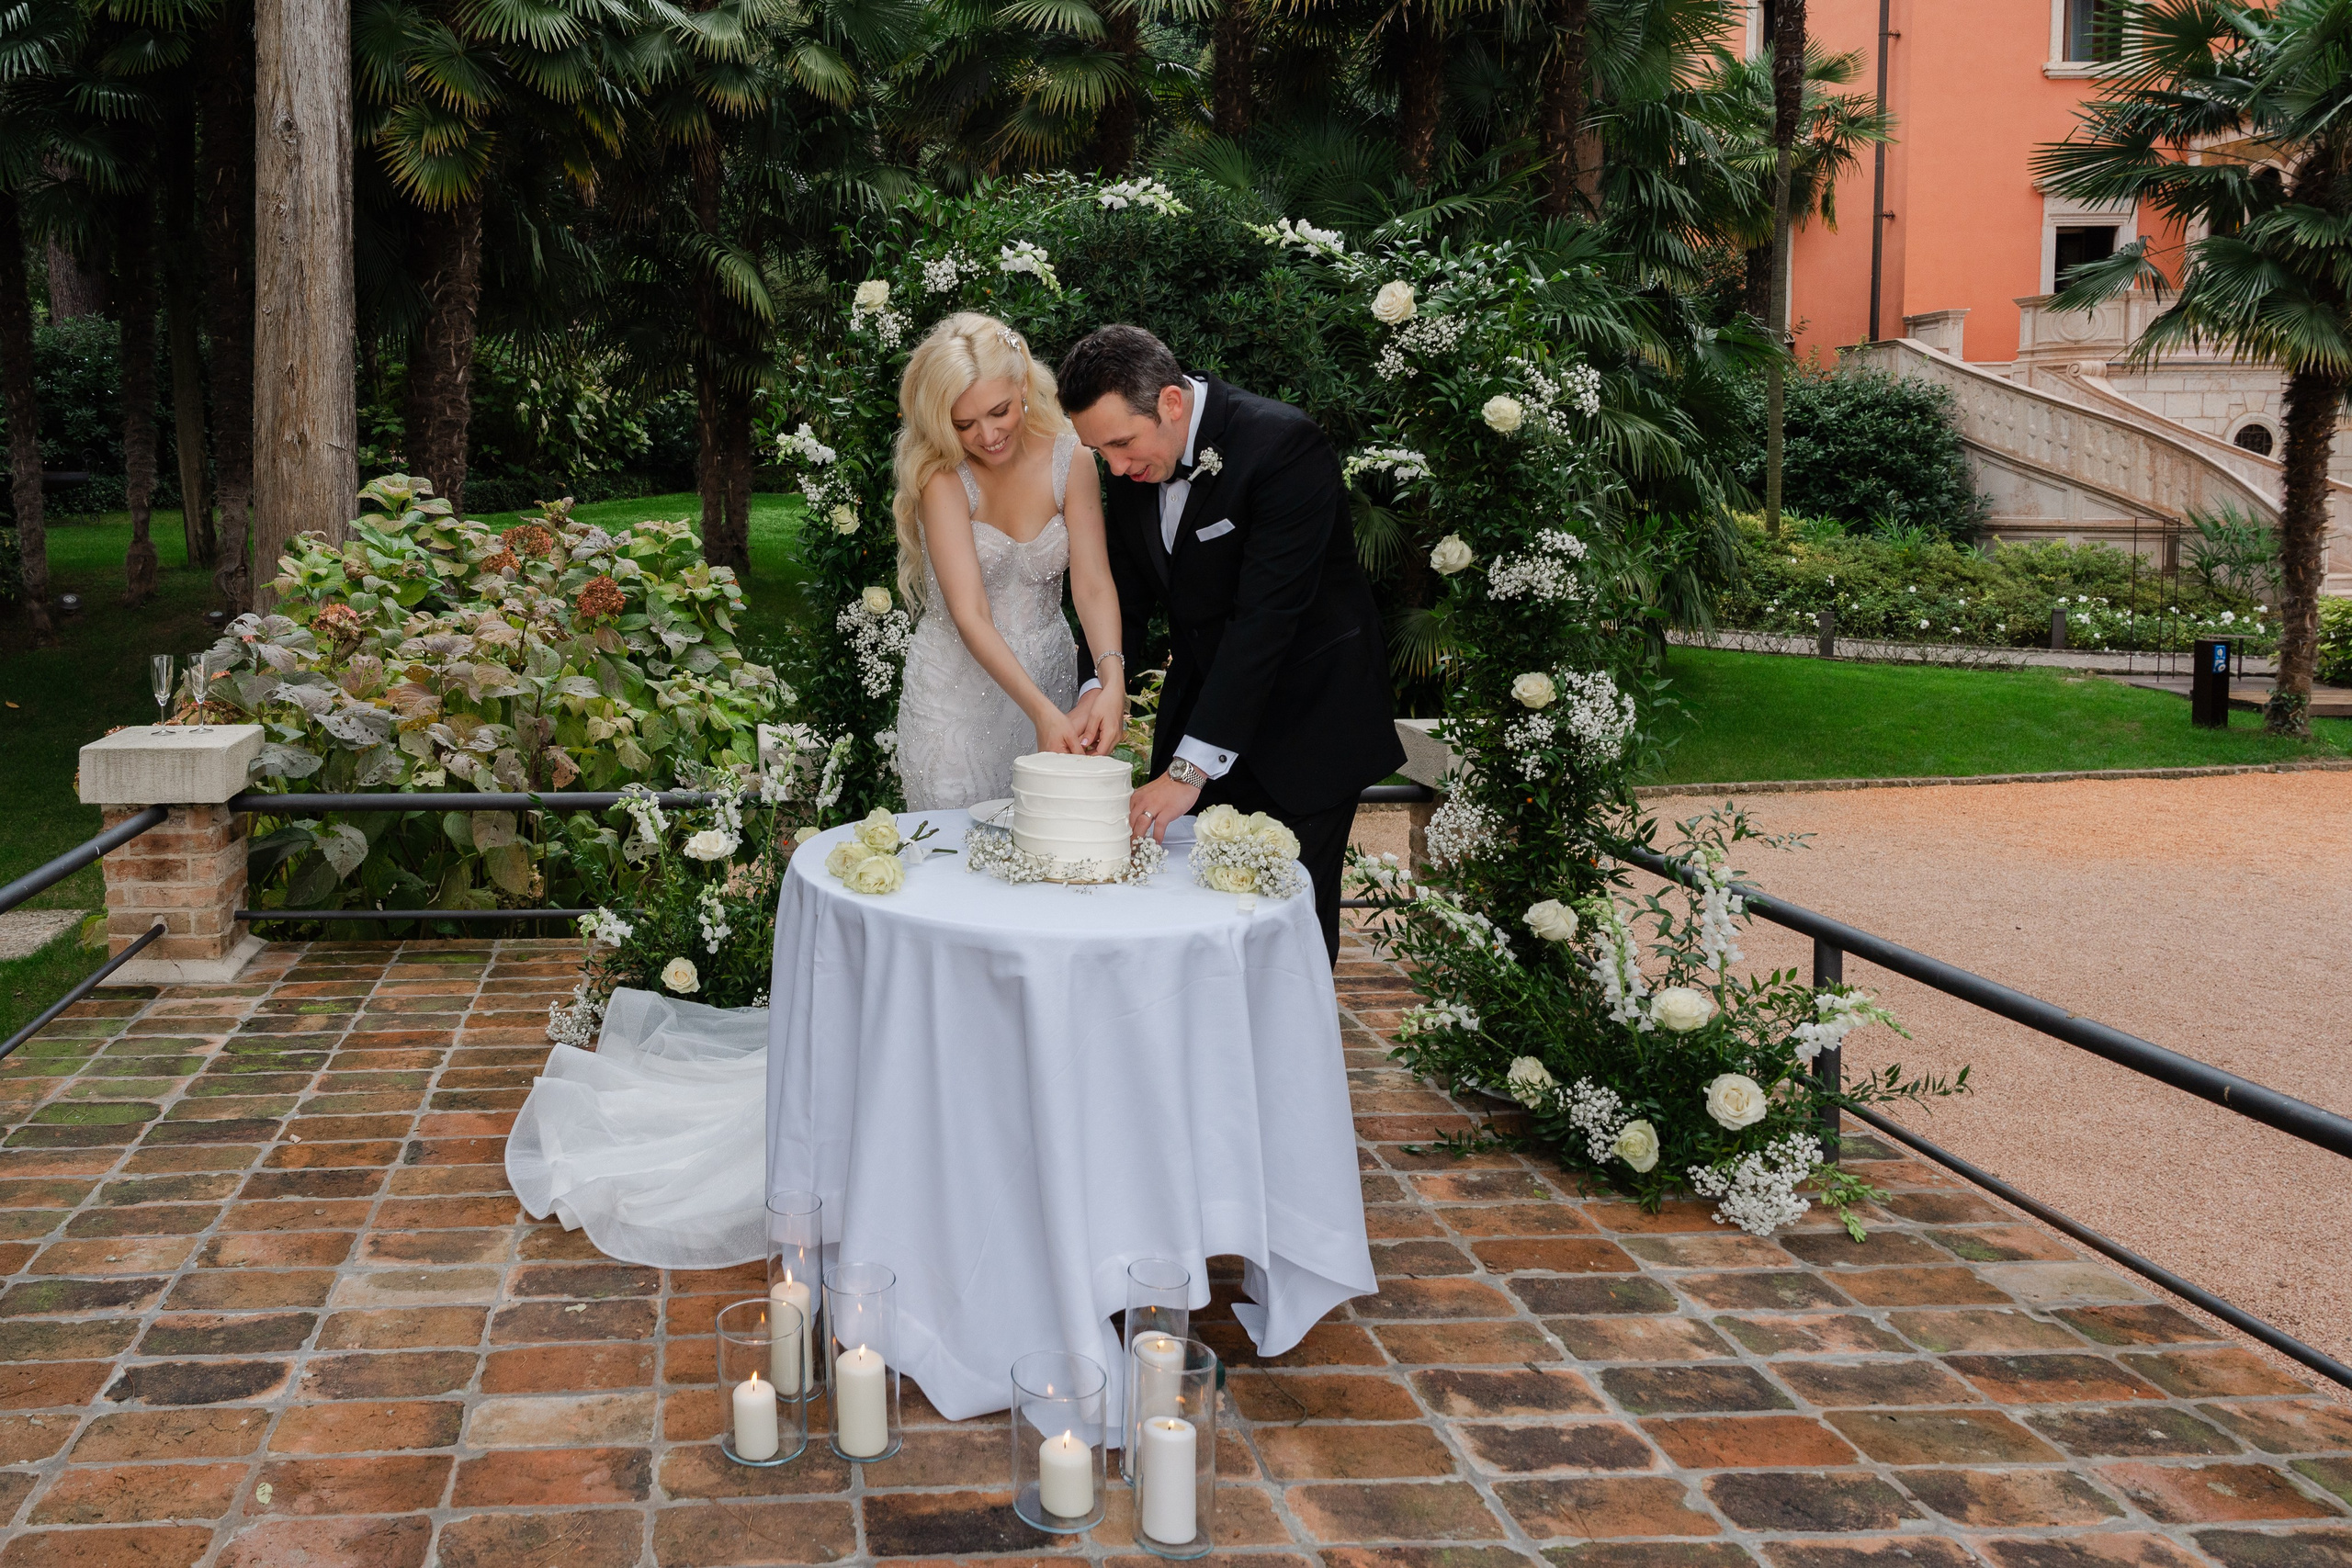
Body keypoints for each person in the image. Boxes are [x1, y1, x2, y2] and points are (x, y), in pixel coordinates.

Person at [1058, 325, 1406, 961]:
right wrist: (1099, 689)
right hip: (1206, 712)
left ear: (1170, 402)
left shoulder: (1284, 444)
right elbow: (1124, 598)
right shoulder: (1132, 460)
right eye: (1098, 450)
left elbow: (1265, 622)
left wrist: (1187, 771)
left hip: (1309, 725)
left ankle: (1287, 1061)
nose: (1114, 467)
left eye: (1120, 444)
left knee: (1283, 929)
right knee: (1188, 920)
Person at [893, 312, 1128, 809]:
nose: (988, 434)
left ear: (1022, 383)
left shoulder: (1073, 459)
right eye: (964, 423)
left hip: (1051, 676)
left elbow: (1092, 585)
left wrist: (1112, 679)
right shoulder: (943, 478)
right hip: (954, 700)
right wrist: (1041, 712)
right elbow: (969, 614)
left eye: (999, 411)